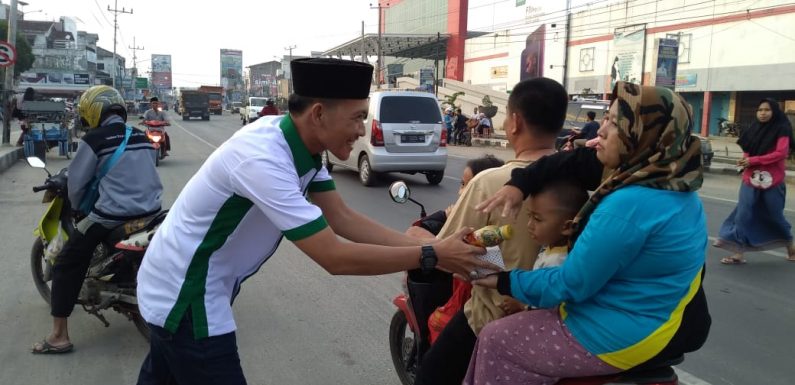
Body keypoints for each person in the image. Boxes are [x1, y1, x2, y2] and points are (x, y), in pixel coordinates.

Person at [134, 58, 492, 385]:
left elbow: (342, 218)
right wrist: (431, 256)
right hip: (187, 295)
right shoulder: (263, 158)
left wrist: (433, 246)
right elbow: (334, 256)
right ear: (319, 114)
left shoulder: (303, 149)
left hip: (180, 283)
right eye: (356, 117)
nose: (360, 129)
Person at [468, 82, 711, 384]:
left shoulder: (628, 203)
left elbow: (573, 282)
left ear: (642, 134)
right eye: (605, 120)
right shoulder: (677, 186)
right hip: (654, 318)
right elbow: (567, 161)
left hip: (619, 330)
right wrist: (521, 183)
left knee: (496, 338)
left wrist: (503, 280)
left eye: (615, 122)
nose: (602, 132)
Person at [413, 77, 569, 385]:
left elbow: (449, 255)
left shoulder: (491, 182)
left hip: (492, 319)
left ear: (515, 121)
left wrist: (419, 240)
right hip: (563, 327)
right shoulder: (583, 179)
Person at [31, 85, 162, 354]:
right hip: (151, 213)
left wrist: (78, 210)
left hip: (113, 217)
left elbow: (77, 185)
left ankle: (58, 337)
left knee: (67, 262)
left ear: (92, 112)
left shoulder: (94, 140)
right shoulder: (141, 136)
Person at [714, 98, 795, 264]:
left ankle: (790, 247)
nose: (763, 113)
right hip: (750, 179)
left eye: (767, 110)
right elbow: (747, 149)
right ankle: (738, 252)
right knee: (743, 214)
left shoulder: (782, 129)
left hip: (773, 181)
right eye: (760, 110)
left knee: (774, 216)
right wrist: (745, 161)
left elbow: (781, 153)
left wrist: (754, 160)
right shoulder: (753, 129)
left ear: (774, 112)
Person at [527, 178, 589, 270]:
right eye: (529, 215)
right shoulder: (550, 247)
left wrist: (496, 251)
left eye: (537, 219)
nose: (529, 225)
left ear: (567, 227)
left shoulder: (555, 263)